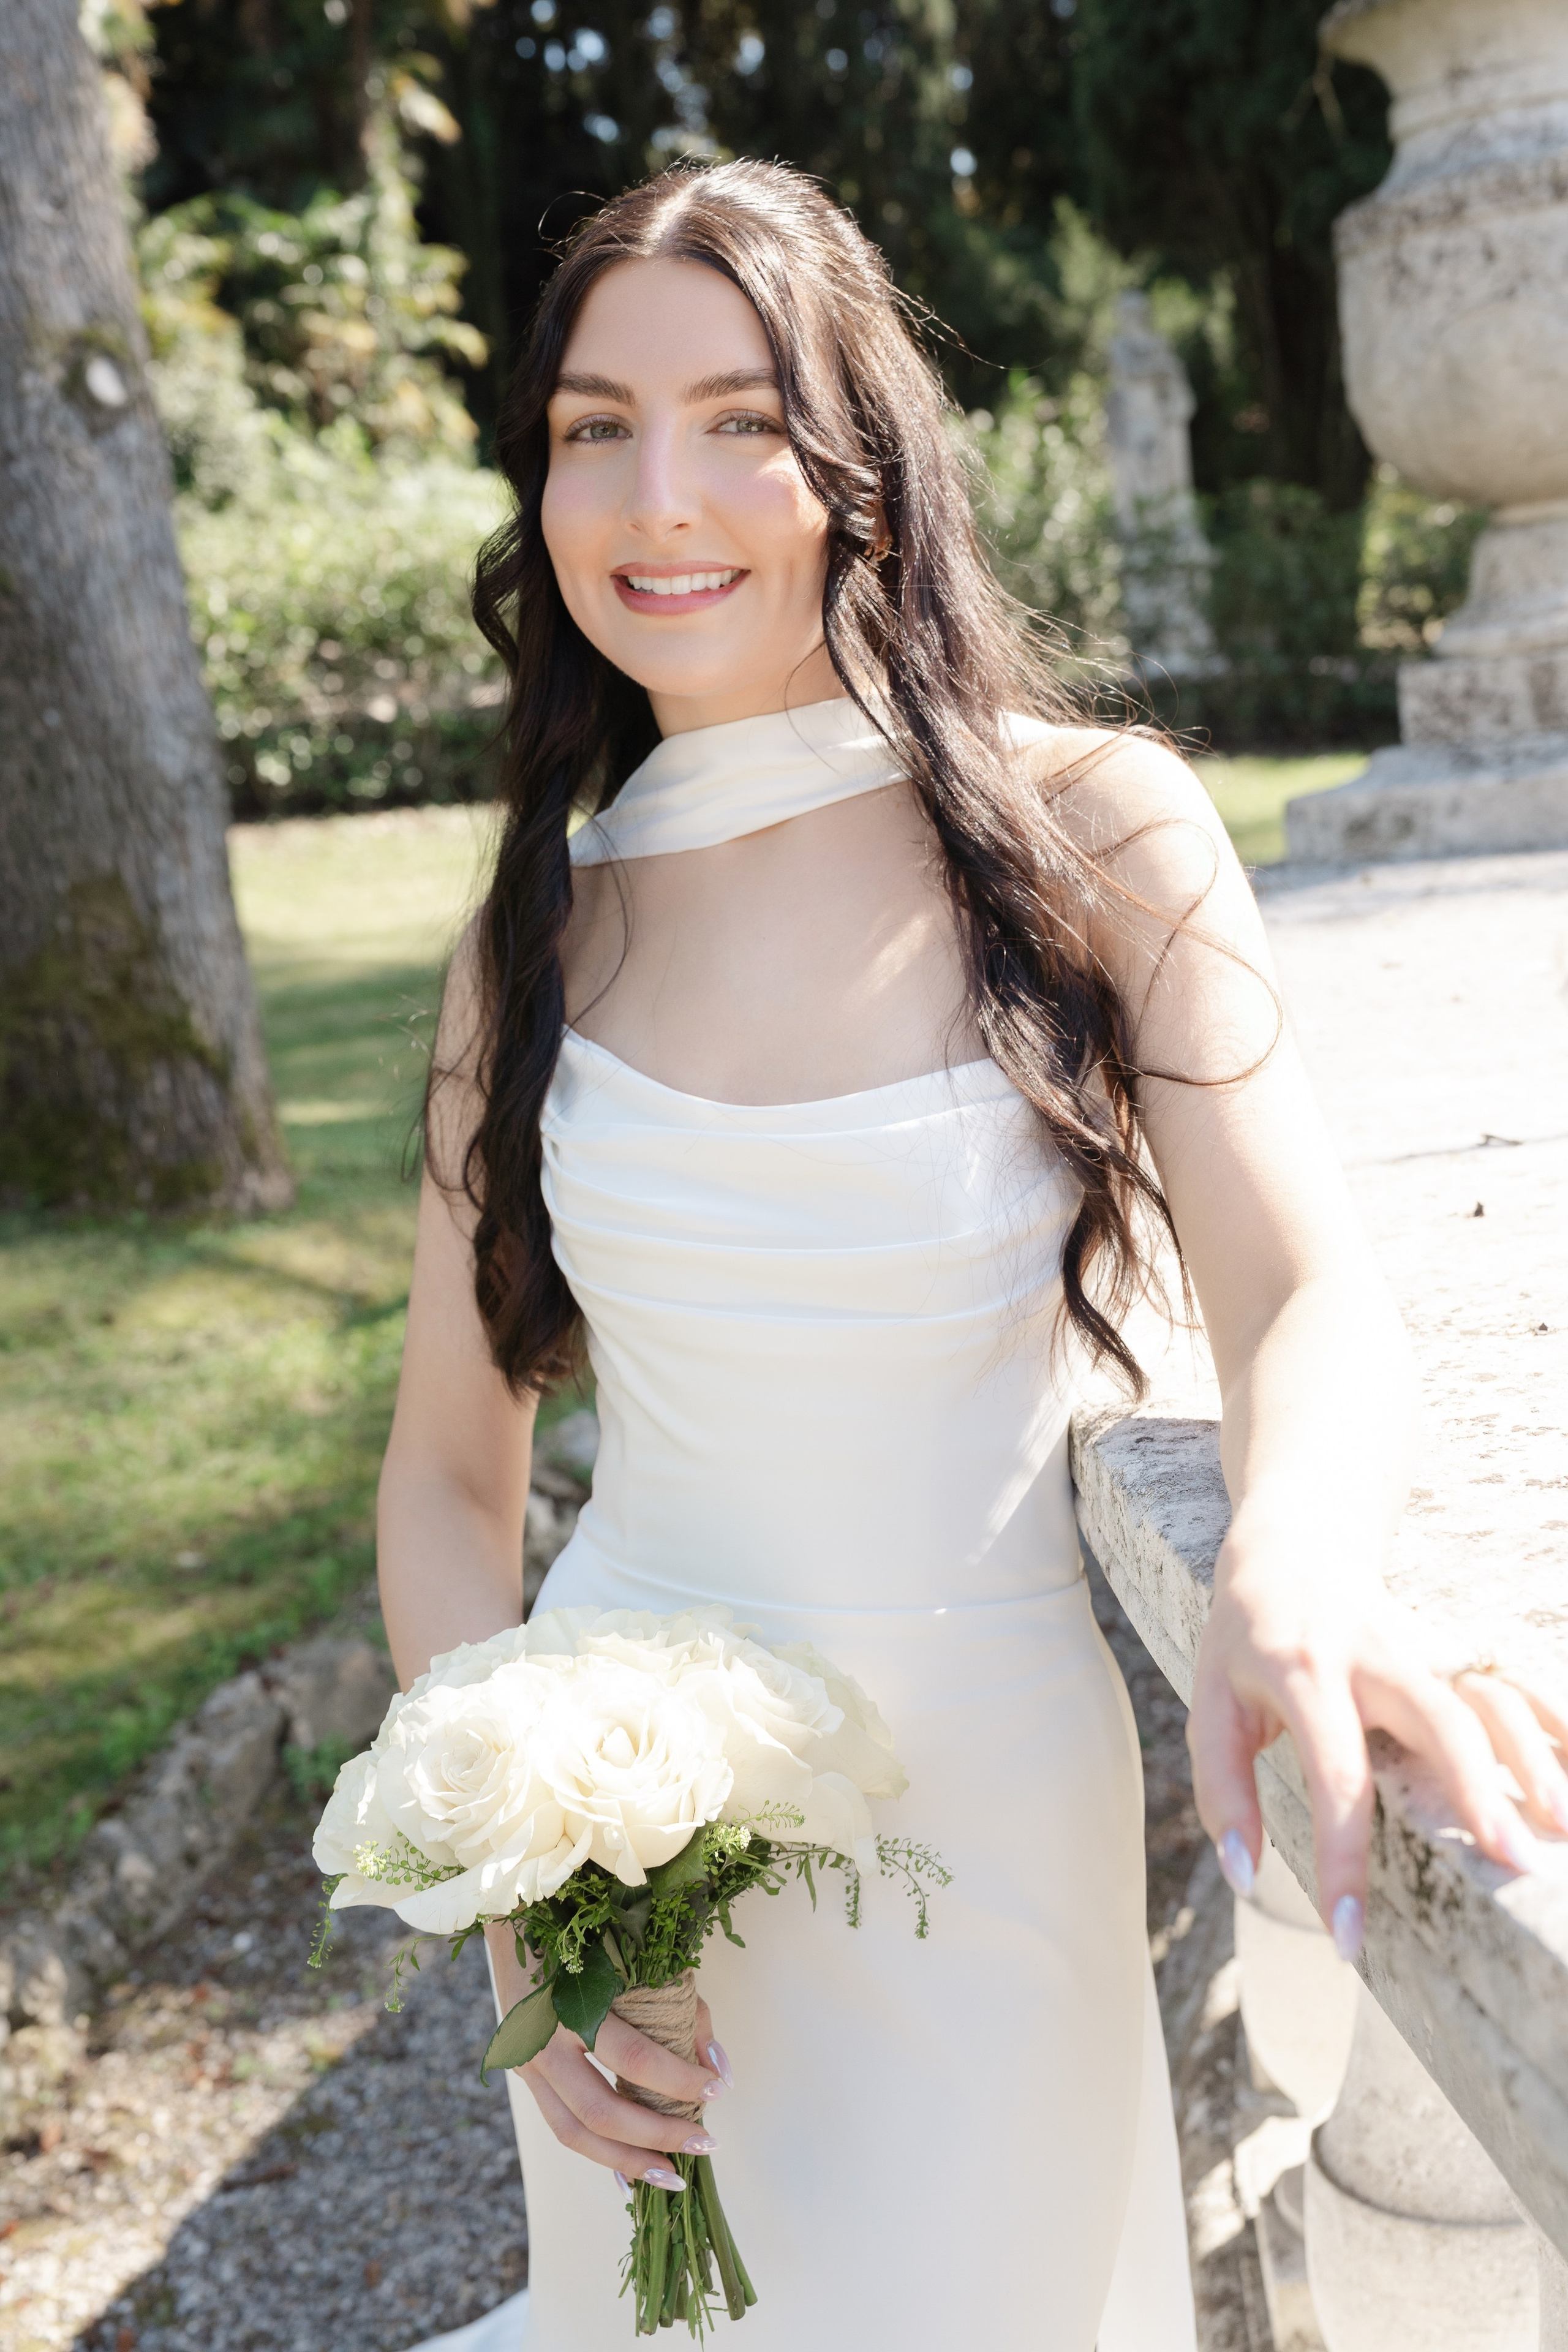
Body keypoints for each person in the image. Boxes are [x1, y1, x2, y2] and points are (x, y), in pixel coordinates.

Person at [376, 159, 1567, 2352]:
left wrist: (1290, 1568)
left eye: (741, 419)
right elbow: (450, 1483)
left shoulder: (1092, 827)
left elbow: (1300, 1295)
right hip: (636, 1888)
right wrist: (525, 1890)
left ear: (863, 466)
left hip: (985, 1834)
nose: (659, 495)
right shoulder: (530, 943)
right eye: (594, 426)